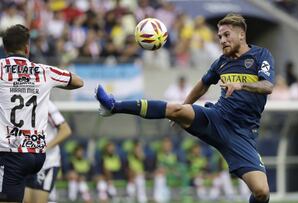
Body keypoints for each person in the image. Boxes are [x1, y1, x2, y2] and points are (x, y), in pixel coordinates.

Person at [96, 13, 274, 203]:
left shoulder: (260, 55)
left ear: (241, 34)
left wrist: (241, 85)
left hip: (242, 133)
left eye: (226, 35)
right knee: (175, 109)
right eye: (220, 36)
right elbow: (203, 84)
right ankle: (113, 106)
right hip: (217, 118)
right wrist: (184, 107)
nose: (222, 40)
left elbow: (267, 86)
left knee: (261, 192)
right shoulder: (221, 62)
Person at [0, 24, 83, 202]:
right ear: (27, 48)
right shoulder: (43, 71)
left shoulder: (0, 69)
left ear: (5, 48)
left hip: (11, 152)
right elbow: (78, 82)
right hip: (37, 154)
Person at [23, 101, 72, 203]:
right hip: (26, 161)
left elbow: (65, 130)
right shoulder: (18, 101)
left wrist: (43, 148)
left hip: (46, 162)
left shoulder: (45, 103)